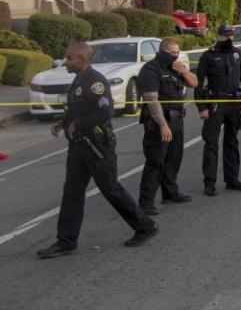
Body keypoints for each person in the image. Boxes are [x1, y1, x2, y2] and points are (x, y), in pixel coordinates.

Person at [38, 43, 157, 258]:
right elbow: (78, 108)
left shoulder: (95, 81)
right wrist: (63, 122)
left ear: (81, 59)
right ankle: (66, 241)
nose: (66, 61)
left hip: (97, 146)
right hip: (78, 147)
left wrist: (79, 124)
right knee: (72, 192)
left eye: (69, 58)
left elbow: (105, 111)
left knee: (110, 189)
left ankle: (145, 226)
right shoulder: (78, 80)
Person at [137, 38, 198, 215]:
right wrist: (163, 125)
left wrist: (184, 71)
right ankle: (146, 202)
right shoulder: (150, 69)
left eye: (178, 52)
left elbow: (194, 83)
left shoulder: (175, 68)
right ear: (162, 51)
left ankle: (170, 193)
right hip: (159, 122)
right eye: (172, 52)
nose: (176, 55)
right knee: (156, 161)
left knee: (174, 158)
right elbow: (151, 100)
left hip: (178, 119)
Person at [195, 25, 241, 196]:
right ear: (219, 36)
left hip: (234, 103)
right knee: (211, 142)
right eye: (226, 36)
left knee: (232, 141)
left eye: (231, 35)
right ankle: (209, 183)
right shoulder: (209, 55)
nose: (230, 38)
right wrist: (201, 107)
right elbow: (198, 83)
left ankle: (232, 179)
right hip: (215, 103)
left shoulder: (237, 54)